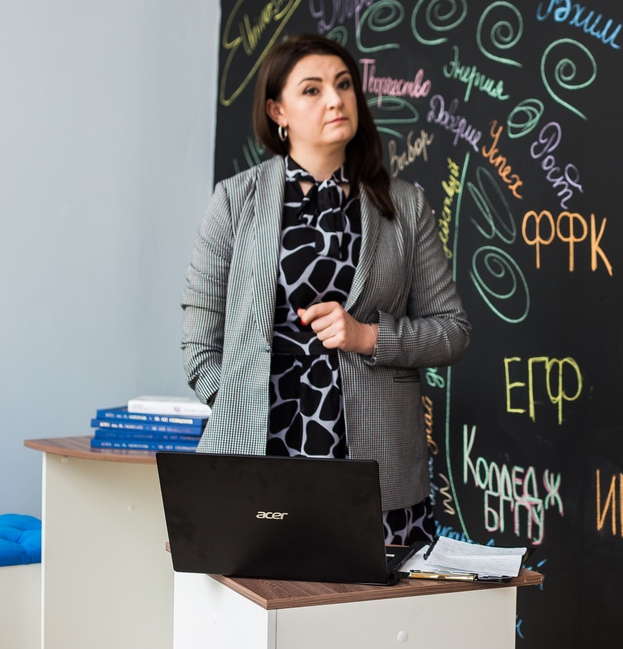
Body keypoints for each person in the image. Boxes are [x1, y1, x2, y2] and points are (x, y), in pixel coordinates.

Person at [182, 33, 470, 546]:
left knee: (375, 598)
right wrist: (239, 404)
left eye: (343, 85)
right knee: (260, 595)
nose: (335, 99)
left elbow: (453, 332)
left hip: (376, 467)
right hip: (257, 457)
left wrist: (368, 337)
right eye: (312, 90)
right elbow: (199, 344)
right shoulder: (233, 201)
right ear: (278, 111)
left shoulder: (404, 206)